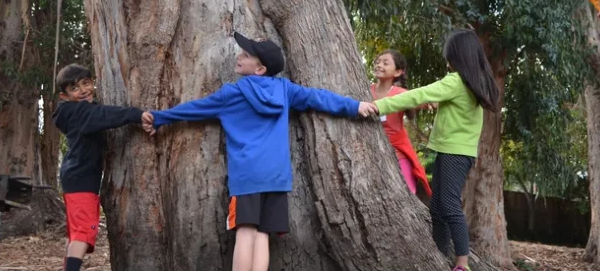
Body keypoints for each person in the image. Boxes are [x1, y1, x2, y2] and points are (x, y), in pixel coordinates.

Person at [142, 33, 377, 271]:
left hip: (247, 176)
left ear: (260, 69)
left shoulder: (230, 94)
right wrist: (355, 106)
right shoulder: (285, 90)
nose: (239, 56)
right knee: (263, 234)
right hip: (277, 176)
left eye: (245, 55)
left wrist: (160, 118)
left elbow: (194, 109)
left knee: (246, 232)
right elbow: (318, 97)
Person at [373, 30, 499, 271]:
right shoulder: (473, 83)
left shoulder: (455, 81)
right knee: (437, 205)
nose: (447, 60)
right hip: (453, 151)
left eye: (449, 55)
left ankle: (463, 263)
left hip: (454, 152)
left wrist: (376, 105)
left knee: (448, 204)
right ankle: (441, 253)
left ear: (457, 57)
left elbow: (417, 95)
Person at [52, 64, 153, 271]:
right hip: (81, 180)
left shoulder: (73, 112)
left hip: (75, 178)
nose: (83, 91)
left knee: (76, 233)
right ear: (65, 96)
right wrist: (137, 114)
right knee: (83, 231)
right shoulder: (81, 113)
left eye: (86, 83)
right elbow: (106, 115)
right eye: (75, 88)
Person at [371, 49, 432, 196]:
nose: (379, 65)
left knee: (407, 192)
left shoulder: (401, 93)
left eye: (385, 63)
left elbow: (418, 100)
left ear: (398, 72)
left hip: (398, 152)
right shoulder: (365, 89)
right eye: (378, 62)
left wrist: (429, 102)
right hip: (371, 149)